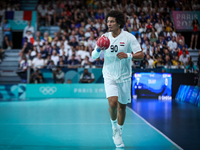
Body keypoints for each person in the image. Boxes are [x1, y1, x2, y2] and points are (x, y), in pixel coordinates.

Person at [92, 10, 144, 148]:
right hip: (109, 74)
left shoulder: (129, 37)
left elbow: (141, 55)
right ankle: (114, 127)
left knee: (122, 107)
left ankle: (119, 131)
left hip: (125, 76)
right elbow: (93, 57)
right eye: (108, 21)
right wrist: (98, 49)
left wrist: (128, 55)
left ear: (119, 23)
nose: (109, 24)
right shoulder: (104, 38)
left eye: (112, 21)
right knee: (113, 103)